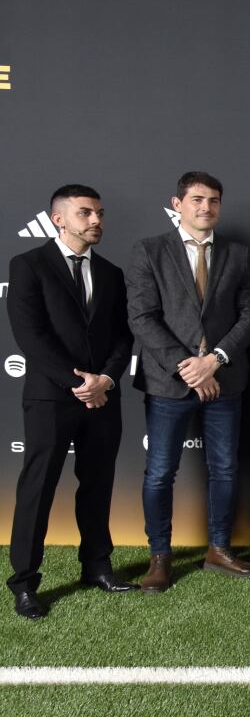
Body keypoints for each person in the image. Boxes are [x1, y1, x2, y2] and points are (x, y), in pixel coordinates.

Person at [125, 171, 250, 592]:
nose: (207, 207)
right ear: (177, 203)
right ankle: (160, 556)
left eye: (214, 200)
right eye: (198, 199)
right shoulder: (149, 250)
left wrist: (215, 360)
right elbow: (142, 318)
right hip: (170, 382)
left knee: (224, 470)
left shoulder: (239, 254)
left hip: (224, 378)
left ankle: (219, 550)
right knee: (160, 473)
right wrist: (189, 366)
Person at [6, 185, 135, 619]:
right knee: (37, 489)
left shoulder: (113, 273)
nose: (96, 220)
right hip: (51, 398)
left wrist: (105, 380)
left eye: (99, 212)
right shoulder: (28, 266)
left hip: (103, 396)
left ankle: (97, 567)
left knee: (98, 485)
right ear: (58, 218)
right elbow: (30, 336)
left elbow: (122, 336)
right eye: (85, 213)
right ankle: (24, 583)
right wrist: (77, 382)